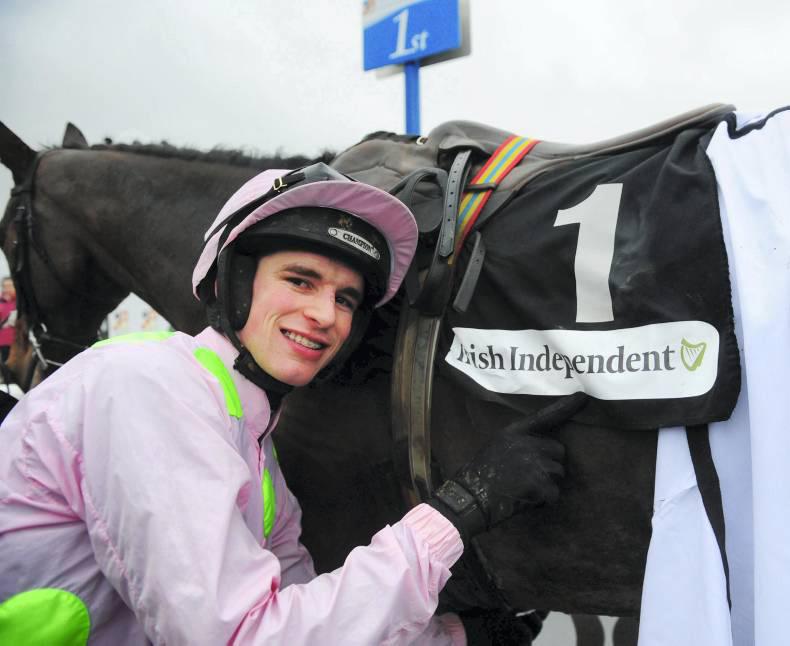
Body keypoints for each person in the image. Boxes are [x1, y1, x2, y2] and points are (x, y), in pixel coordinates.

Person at [0, 164, 582, 645]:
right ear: (233, 284)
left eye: (346, 299)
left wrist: (456, 638)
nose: (326, 315)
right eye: (300, 280)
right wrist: (457, 513)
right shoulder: (147, 387)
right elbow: (238, 637)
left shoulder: (251, 441)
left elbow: (303, 613)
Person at [0, 277, 17, 362]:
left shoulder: (21, 303)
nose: (7, 289)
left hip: (19, 342)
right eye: (5, 286)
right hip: (3, 342)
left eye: (10, 286)